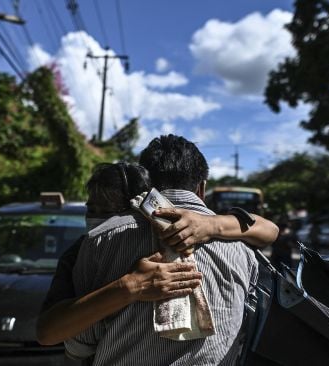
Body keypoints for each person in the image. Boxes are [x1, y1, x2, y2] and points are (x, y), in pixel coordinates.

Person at [66, 135, 265, 365]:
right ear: (201, 188)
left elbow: (79, 342)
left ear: (146, 182)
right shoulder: (243, 250)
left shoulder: (101, 239)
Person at [36, 162, 278, 346]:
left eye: (113, 211)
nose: (101, 220)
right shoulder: (85, 250)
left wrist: (211, 225)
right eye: (93, 209)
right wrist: (130, 287)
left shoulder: (179, 230)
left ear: (143, 207)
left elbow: (269, 230)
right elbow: (48, 333)